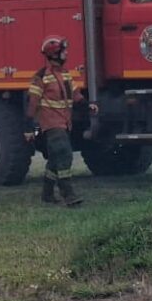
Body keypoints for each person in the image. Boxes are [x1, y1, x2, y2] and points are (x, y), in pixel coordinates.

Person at [25, 36, 88, 206]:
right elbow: (32, 103)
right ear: (54, 54)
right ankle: (69, 194)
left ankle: (47, 194)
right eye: (63, 51)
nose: (66, 54)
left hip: (65, 123)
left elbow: (75, 95)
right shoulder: (41, 77)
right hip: (52, 124)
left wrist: (87, 106)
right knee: (64, 155)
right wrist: (28, 127)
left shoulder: (65, 74)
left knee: (54, 160)